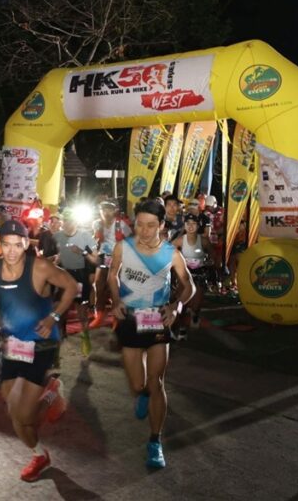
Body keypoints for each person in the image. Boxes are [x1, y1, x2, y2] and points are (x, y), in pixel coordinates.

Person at [0, 219, 77, 482]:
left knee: (24, 414)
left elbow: (71, 286)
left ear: (26, 243)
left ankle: (51, 393)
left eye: (17, 245)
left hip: (41, 343)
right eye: (6, 245)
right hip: (12, 344)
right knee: (13, 411)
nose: (12, 251)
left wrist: (53, 318)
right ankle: (39, 455)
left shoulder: (41, 267)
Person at [108, 199, 195, 470]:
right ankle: (143, 393)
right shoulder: (123, 247)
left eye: (150, 226)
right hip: (130, 319)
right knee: (138, 385)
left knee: (156, 382)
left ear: (162, 225)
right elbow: (112, 275)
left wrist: (176, 306)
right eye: (140, 225)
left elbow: (189, 285)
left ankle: (155, 441)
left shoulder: (171, 254)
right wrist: (116, 300)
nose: (144, 231)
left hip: (158, 319)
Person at [52, 209, 99, 356]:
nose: (67, 224)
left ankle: (85, 338)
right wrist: (56, 260)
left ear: (76, 222)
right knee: (60, 310)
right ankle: (59, 340)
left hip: (80, 276)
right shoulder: (57, 236)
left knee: (81, 311)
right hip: (63, 275)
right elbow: (57, 255)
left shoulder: (86, 236)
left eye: (70, 221)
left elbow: (96, 260)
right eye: (65, 221)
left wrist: (82, 252)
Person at [92, 200, 132, 324]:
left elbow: (131, 239)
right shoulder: (97, 224)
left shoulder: (121, 224)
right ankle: (99, 312)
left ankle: (117, 311)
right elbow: (95, 239)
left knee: (116, 285)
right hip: (103, 256)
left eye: (109, 210)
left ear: (114, 211)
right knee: (98, 284)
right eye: (103, 210)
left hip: (119, 257)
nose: (106, 213)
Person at [172, 213, 211, 335]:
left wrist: (207, 262)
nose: (190, 226)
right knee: (181, 304)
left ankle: (194, 315)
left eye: (193, 223)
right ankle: (180, 327)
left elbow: (214, 257)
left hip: (199, 275)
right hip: (184, 276)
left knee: (196, 306)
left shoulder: (204, 241)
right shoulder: (179, 241)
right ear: (184, 225)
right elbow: (167, 255)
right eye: (188, 223)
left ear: (198, 225)